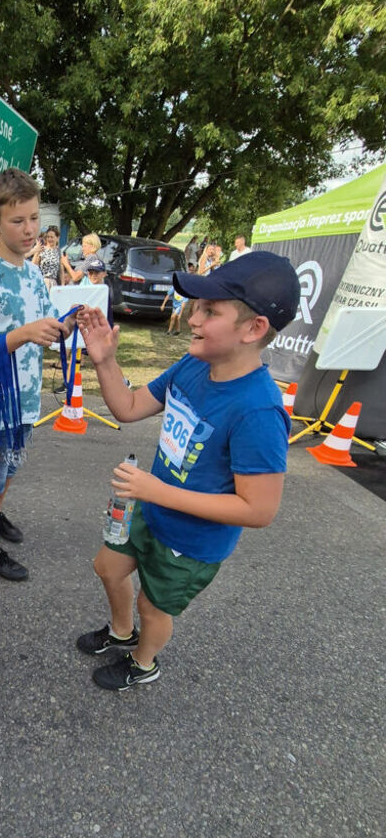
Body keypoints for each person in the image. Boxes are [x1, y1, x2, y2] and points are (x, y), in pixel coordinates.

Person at [75, 251, 300, 690]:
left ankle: (144, 662)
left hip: (190, 543)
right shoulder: (195, 364)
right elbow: (129, 406)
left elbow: (259, 510)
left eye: (211, 311)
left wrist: (154, 491)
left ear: (253, 329)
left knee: (153, 608)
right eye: (197, 306)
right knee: (107, 567)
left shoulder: (259, 410)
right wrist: (103, 360)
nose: (193, 317)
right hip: (151, 509)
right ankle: (122, 634)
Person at [0, 168, 74, 582]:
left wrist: (65, 325)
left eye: (33, 219)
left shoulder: (32, 273)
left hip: (26, 400)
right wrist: (23, 333)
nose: (29, 230)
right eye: (17, 220)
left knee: (9, 469)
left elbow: (40, 329)